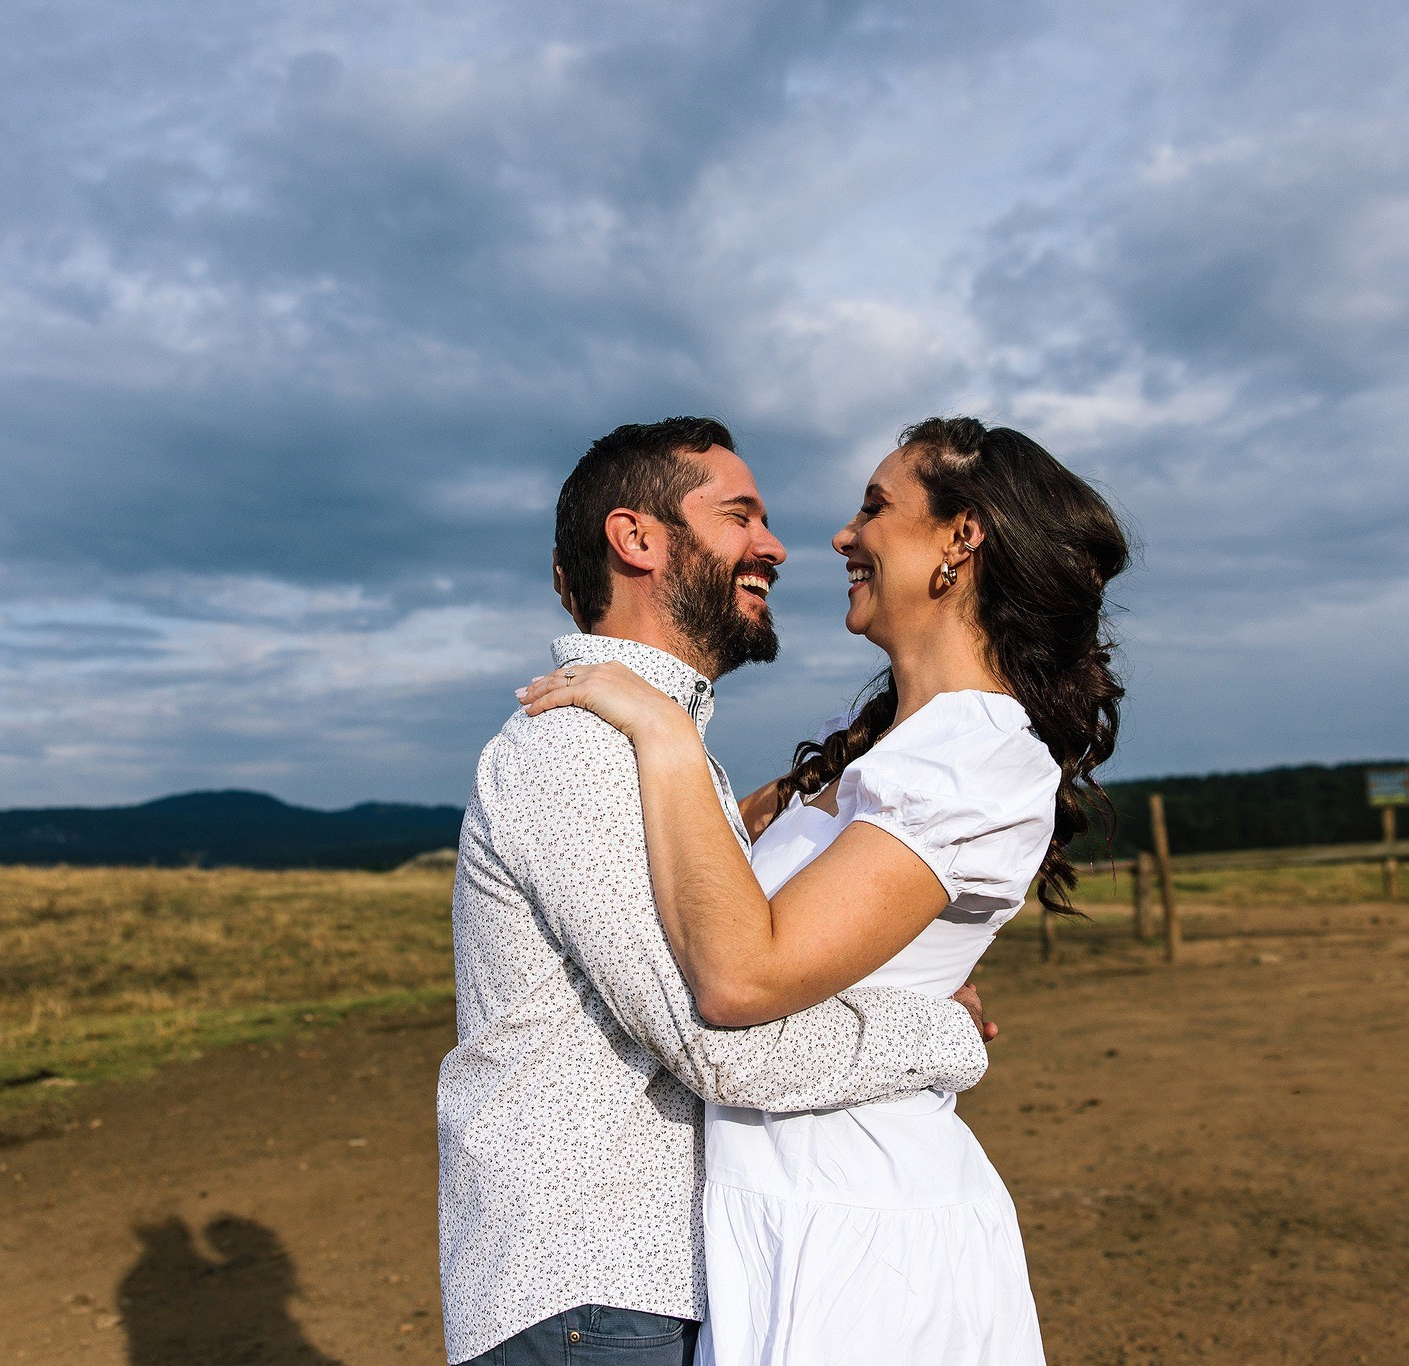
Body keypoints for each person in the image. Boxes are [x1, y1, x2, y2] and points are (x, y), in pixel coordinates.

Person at [519, 416, 1129, 1365]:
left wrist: (670, 739)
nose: (842, 536)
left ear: (961, 540)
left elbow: (742, 979)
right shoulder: (887, 746)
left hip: (861, 1228)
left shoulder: (975, 755)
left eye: (875, 508)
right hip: (779, 1212)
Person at [438, 417, 1000, 1366]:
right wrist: (945, 1032)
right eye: (741, 516)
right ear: (641, 540)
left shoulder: (653, 746)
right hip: (597, 1296)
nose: (776, 546)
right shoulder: (582, 748)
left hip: (634, 1296)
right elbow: (722, 1041)